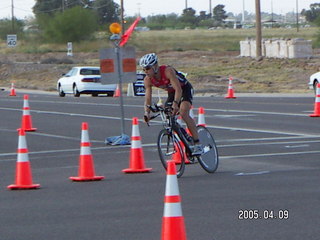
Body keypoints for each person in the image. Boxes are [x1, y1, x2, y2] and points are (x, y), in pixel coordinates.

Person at [140, 53, 203, 155]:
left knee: (183, 112)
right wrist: (146, 112)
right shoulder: (147, 80)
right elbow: (148, 97)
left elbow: (178, 89)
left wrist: (175, 103)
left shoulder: (167, 71)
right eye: (143, 69)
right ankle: (185, 136)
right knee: (168, 114)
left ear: (155, 66)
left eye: (147, 68)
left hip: (184, 89)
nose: (145, 71)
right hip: (172, 92)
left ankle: (197, 143)